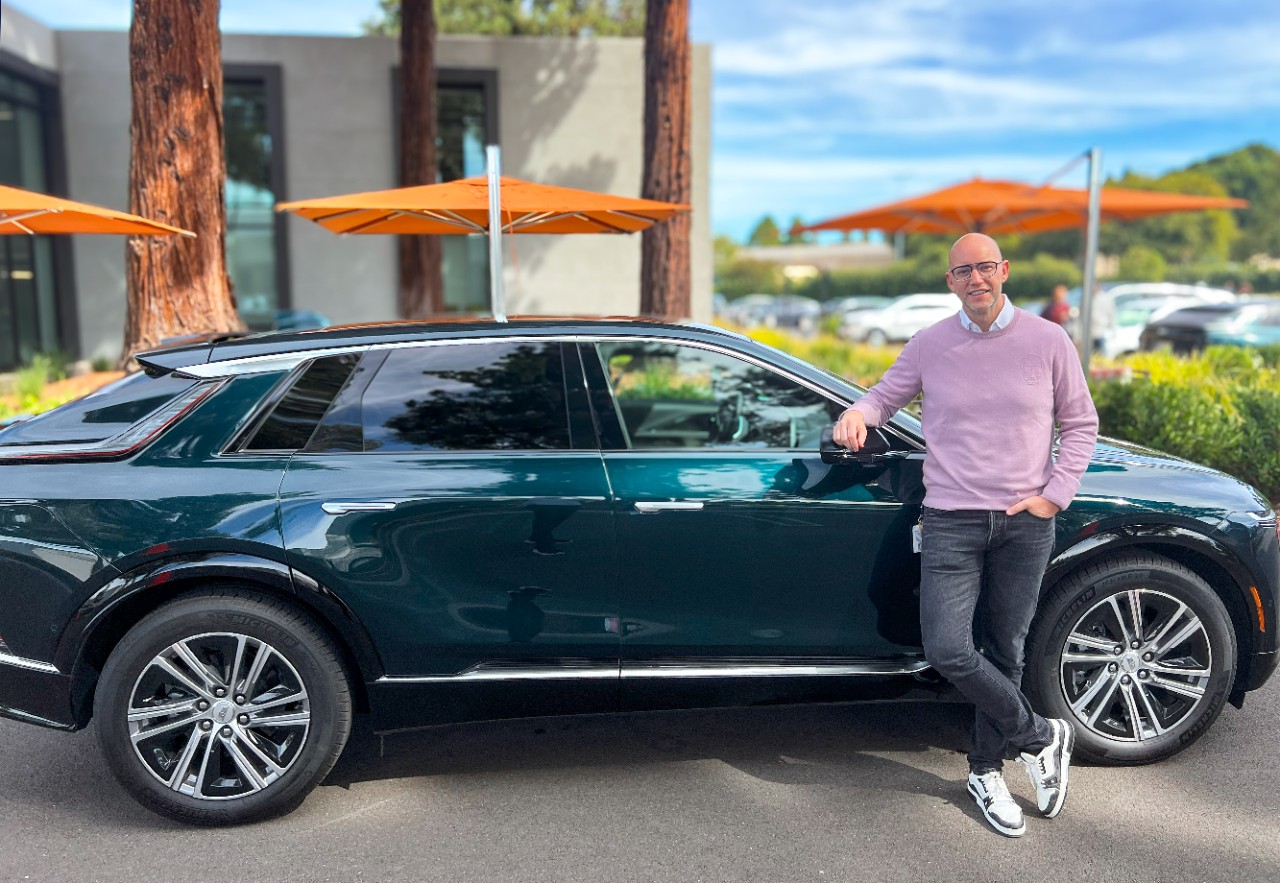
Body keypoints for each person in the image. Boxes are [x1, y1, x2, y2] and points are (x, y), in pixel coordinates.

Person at [833, 233, 1098, 838]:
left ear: (1003, 270)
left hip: (1024, 521)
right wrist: (856, 413)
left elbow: (1080, 423)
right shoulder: (930, 345)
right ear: (950, 281)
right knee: (949, 647)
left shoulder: (1048, 339)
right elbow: (882, 397)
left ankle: (985, 770)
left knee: (1005, 646)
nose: (976, 279)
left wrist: (1055, 494)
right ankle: (1040, 734)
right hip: (951, 518)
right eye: (962, 271)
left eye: (985, 267)